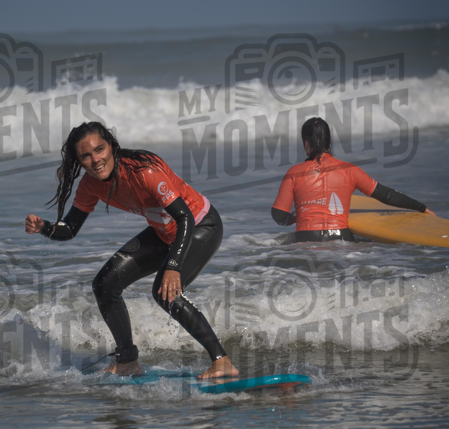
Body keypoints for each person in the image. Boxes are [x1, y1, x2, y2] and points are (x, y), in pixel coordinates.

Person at [25, 121, 238, 379]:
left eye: (100, 149)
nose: (96, 160)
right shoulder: (90, 185)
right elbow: (69, 228)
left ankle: (222, 361)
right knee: (105, 283)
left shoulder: (144, 171)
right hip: (163, 232)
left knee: (165, 293)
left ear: (111, 146)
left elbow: (185, 218)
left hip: (200, 226)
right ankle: (127, 361)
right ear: (79, 161)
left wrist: (173, 266)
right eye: (86, 156)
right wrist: (44, 227)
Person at [271, 117, 435, 242]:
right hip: (341, 240)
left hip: (306, 240)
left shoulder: (294, 172)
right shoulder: (350, 170)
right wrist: (421, 207)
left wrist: (293, 218)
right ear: (329, 141)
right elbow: (386, 195)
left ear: (306, 144)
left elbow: (278, 215)